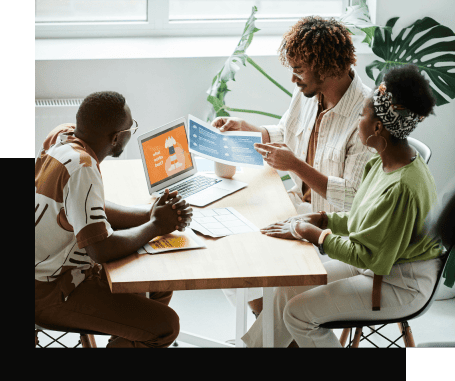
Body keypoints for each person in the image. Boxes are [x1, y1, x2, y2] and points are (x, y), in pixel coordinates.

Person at [242, 64, 445, 347]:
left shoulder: (402, 187)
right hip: (379, 264)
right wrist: (324, 219)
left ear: (378, 128)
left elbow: (370, 257)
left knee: (298, 315)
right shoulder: (381, 162)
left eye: (361, 115)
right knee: (289, 285)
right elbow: (366, 222)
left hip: (400, 282)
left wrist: (314, 234)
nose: (356, 122)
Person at [211, 16, 373, 316]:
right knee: (227, 256)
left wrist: (297, 166)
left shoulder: (365, 118)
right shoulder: (309, 95)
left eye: (299, 71)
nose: (293, 80)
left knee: (263, 277)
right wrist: (248, 128)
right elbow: (287, 132)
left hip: (333, 230)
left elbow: (353, 198)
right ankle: (275, 329)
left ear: (325, 69)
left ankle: (275, 332)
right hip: (295, 209)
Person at [35, 91, 193, 348]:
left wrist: (150, 214)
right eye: (132, 127)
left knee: (159, 282)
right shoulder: (83, 167)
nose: (132, 131)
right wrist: (155, 226)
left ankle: (124, 338)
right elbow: (100, 249)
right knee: (165, 326)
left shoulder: (62, 138)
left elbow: (86, 207)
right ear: (117, 138)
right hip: (50, 291)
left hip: (59, 274)